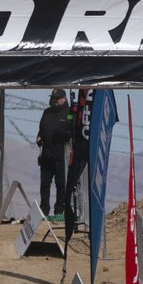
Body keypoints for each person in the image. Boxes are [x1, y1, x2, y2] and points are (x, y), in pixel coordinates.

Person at [34, 89, 72, 221]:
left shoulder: (69, 113)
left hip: (61, 156)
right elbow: (41, 129)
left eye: (57, 98)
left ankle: (59, 211)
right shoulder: (47, 112)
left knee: (61, 184)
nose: (55, 100)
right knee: (44, 184)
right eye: (53, 98)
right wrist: (39, 137)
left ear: (64, 99)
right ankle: (44, 210)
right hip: (46, 155)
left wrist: (62, 134)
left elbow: (72, 131)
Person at [62, 88, 93, 240]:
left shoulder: (87, 100)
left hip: (83, 149)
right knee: (71, 187)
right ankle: (74, 215)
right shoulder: (72, 110)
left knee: (84, 187)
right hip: (76, 150)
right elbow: (70, 125)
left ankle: (86, 220)